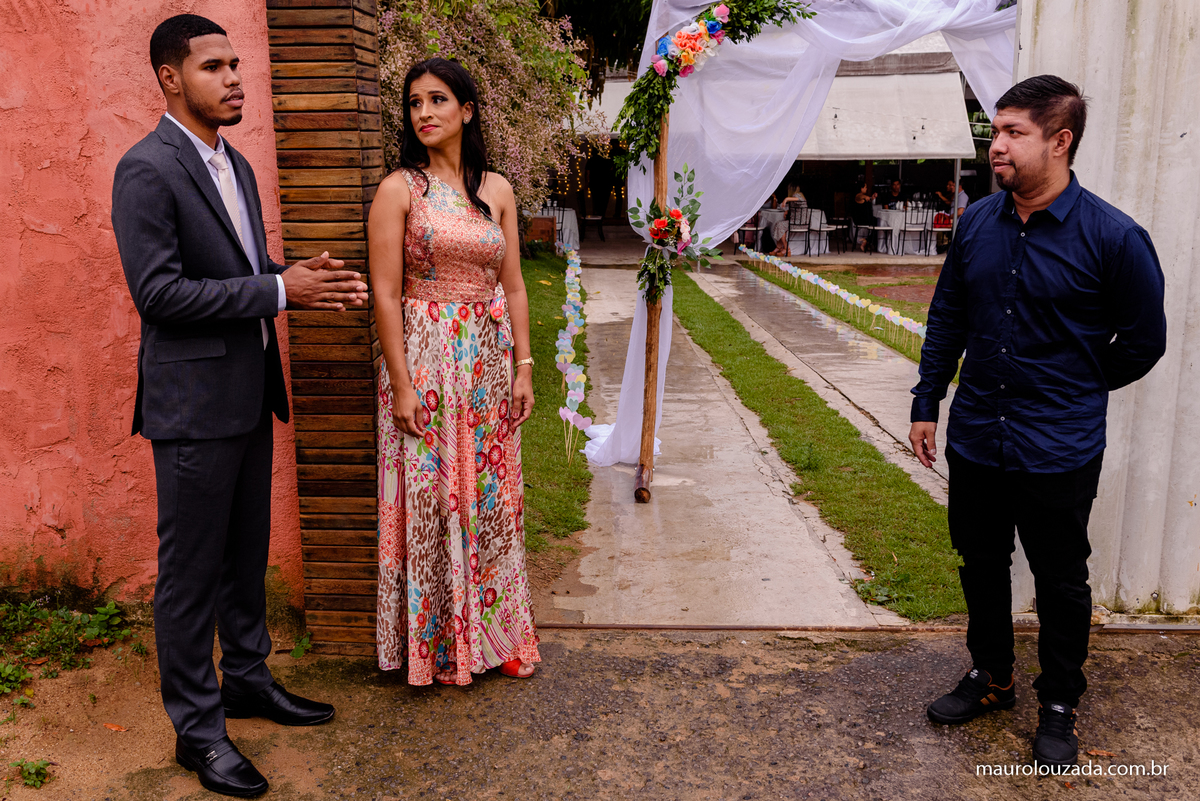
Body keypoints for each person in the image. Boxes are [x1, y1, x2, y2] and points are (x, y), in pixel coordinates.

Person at [111, 15, 364, 797]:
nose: (234, 78)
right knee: (190, 574)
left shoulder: (238, 166)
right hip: (189, 406)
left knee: (243, 554)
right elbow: (159, 294)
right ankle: (198, 728)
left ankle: (247, 679)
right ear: (169, 78)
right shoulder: (145, 170)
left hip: (250, 394)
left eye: (236, 63)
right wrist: (280, 289)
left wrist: (299, 279)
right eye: (214, 66)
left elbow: (243, 271)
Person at [909, 75, 1166, 769]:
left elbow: (1145, 340)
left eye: (1016, 132)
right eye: (997, 131)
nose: (1000, 145)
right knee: (981, 561)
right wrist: (927, 400)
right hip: (979, 439)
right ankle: (993, 676)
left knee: (1060, 578)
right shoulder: (977, 225)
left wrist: (1076, 385)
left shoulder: (1115, 237)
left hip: (1059, 446)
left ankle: (1059, 702)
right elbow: (948, 318)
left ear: (1061, 141)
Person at [369, 58, 540, 687]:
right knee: (432, 499)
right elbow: (386, 295)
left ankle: (499, 638)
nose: (424, 114)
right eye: (414, 103)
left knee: (490, 501)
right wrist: (403, 383)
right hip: (425, 360)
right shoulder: (398, 190)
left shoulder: (496, 189)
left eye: (437, 100)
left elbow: (516, 286)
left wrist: (523, 366)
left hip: (487, 365)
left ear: (467, 110)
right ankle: (436, 645)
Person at [850, 182, 878, 252]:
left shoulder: (863, 196)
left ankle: (867, 241)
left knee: (877, 222)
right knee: (877, 224)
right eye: (865, 187)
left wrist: (872, 198)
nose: (866, 188)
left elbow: (866, 201)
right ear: (861, 188)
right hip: (860, 219)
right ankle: (868, 241)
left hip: (865, 219)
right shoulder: (858, 196)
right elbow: (860, 197)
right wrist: (865, 196)